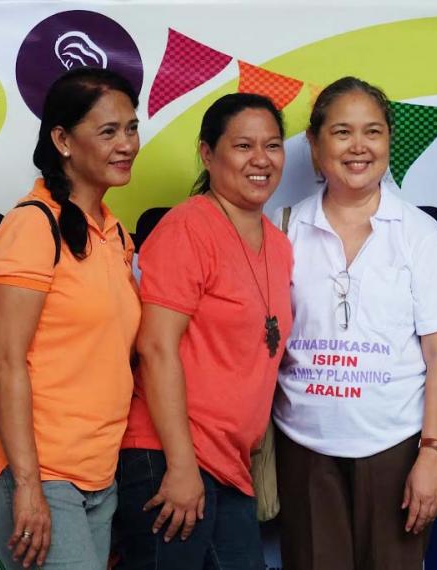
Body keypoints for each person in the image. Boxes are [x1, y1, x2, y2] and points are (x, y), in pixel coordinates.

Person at [272, 76, 437, 570]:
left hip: (396, 444)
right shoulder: (280, 228)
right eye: (341, 132)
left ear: (388, 142)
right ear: (316, 147)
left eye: (373, 132)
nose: (358, 147)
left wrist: (431, 454)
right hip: (303, 443)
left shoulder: (418, 232)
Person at [115, 93, 293, 569]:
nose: (261, 159)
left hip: (229, 468)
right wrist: (180, 465)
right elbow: (155, 347)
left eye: (273, 145)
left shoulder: (279, 245)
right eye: (243, 146)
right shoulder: (187, 227)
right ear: (207, 154)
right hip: (167, 458)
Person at [0, 68, 141, 569]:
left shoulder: (115, 235)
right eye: (108, 131)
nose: (127, 144)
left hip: (98, 475)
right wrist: (28, 487)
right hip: (34, 472)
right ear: (62, 140)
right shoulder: (33, 225)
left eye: (132, 128)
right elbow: (3, 361)